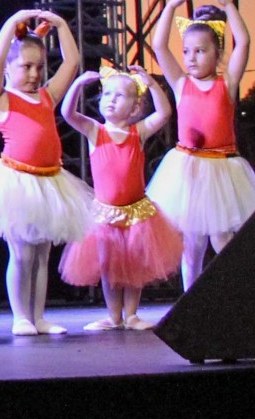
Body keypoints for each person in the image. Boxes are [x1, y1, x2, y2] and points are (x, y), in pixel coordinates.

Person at [0, 10, 93, 336]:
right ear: (8, 69)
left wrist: (62, 25)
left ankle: (38, 316)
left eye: (40, 67)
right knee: (22, 254)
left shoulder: (47, 97)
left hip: (50, 182)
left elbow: (72, 62)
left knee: (41, 255)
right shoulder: (0, 99)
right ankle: (20, 317)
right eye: (26, 67)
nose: (35, 74)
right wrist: (13, 21)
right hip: (18, 184)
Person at [147, 0, 255, 286]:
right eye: (187, 51)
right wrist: (171, 6)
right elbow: (159, 45)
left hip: (222, 169)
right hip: (189, 171)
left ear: (217, 53)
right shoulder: (180, 83)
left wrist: (229, 6)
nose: (191, 57)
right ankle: (191, 300)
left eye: (200, 51)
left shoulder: (228, 83)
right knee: (192, 246)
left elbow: (244, 42)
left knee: (223, 239)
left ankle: (229, 295)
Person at [59, 65, 182, 331]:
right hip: (106, 214)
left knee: (134, 264)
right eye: (107, 94)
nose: (111, 100)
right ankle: (114, 316)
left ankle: (132, 314)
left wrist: (151, 83)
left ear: (135, 108)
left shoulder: (138, 132)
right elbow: (68, 114)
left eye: (120, 95)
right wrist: (77, 85)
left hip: (137, 213)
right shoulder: (95, 131)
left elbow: (164, 113)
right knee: (109, 266)